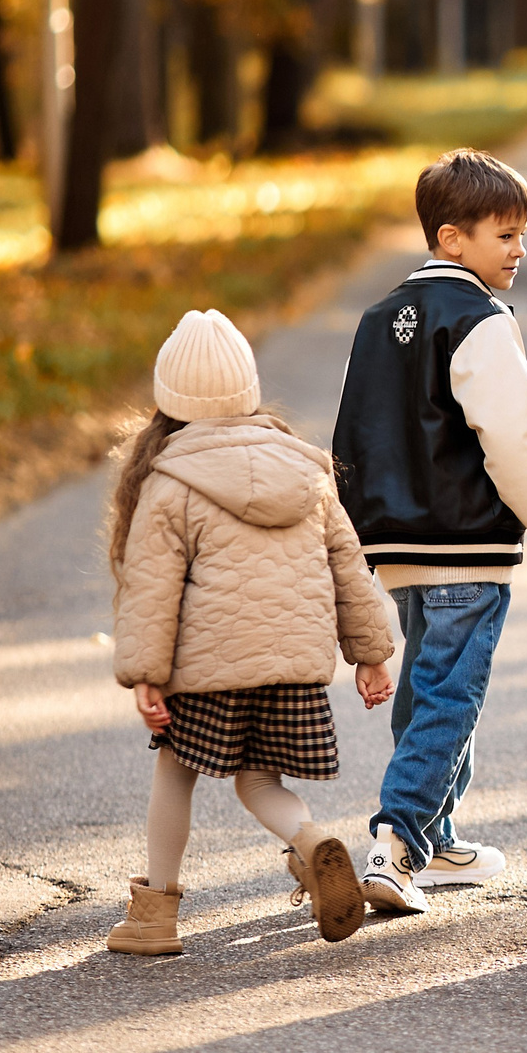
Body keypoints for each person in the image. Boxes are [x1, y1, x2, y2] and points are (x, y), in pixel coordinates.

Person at [332, 149, 527, 915]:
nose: (520, 250)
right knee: (451, 694)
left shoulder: (378, 319)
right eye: (505, 234)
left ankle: (440, 835)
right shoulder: (480, 320)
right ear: (452, 238)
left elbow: (351, 436)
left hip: (397, 548)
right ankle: (397, 842)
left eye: (523, 234)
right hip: (464, 546)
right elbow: (515, 443)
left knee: (428, 687)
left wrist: (359, 540)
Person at [104, 309, 397, 955]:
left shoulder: (170, 479)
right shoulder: (306, 466)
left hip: (208, 668)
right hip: (293, 664)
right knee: (259, 780)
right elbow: (347, 562)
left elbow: (153, 588)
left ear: (167, 402)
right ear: (249, 389)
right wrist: (371, 654)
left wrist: (146, 672)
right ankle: (310, 838)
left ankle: (155, 912)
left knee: (176, 771)